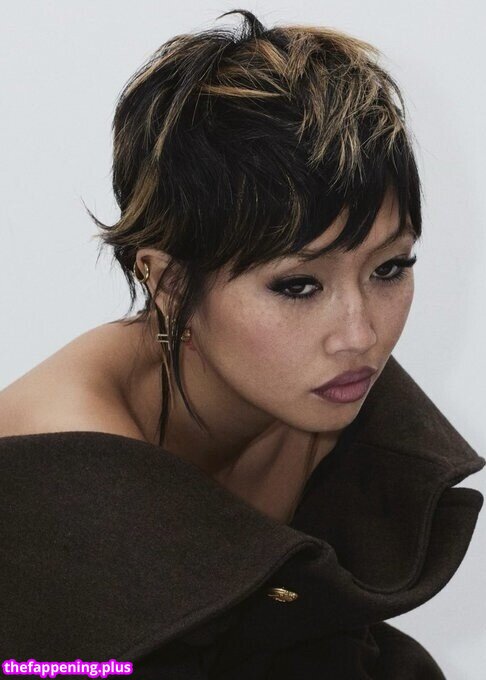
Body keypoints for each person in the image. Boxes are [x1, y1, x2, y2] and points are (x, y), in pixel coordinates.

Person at [0, 8, 483, 679]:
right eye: (298, 286)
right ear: (169, 283)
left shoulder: (311, 390)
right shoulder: (61, 472)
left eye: (389, 268)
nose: (360, 334)